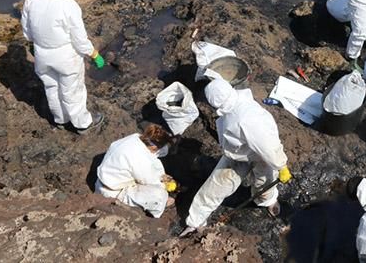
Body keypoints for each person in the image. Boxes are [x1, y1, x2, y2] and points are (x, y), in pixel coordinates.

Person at [181, 79, 292, 237]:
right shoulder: (236, 101)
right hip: (238, 153)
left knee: (265, 182)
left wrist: (281, 166)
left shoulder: (247, 119)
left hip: (263, 155)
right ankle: (196, 221)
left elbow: (268, 145)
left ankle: (267, 201)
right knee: (216, 187)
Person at [21, 0, 105, 134]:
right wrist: (94, 54)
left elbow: (27, 33)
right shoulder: (68, 5)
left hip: (42, 56)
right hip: (66, 58)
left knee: (52, 88)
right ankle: (82, 124)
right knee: (72, 91)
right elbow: (80, 39)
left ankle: (60, 119)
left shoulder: (31, 1)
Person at [95, 124, 176, 217]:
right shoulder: (139, 158)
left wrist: (161, 173)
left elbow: (151, 157)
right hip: (113, 192)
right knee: (159, 196)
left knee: (158, 155)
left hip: (108, 178)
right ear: (154, 147)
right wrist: (164, 183)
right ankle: (157, 210)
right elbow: (150, 181)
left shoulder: (136, 137)